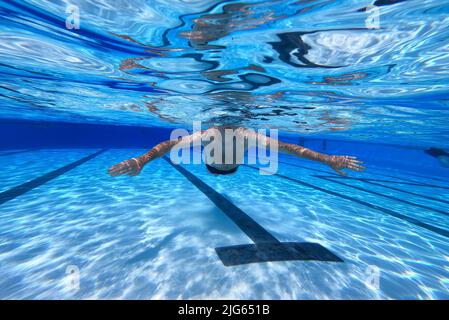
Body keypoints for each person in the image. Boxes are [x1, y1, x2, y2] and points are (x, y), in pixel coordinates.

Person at [108, 126, 365, 177]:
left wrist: (141, 159)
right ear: (239, 159)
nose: (223, 156)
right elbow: (290, 149)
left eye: (218, 159)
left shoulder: (207, 135)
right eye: (228, 161)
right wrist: (328, 158)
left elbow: (168, 145)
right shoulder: (248, 136)